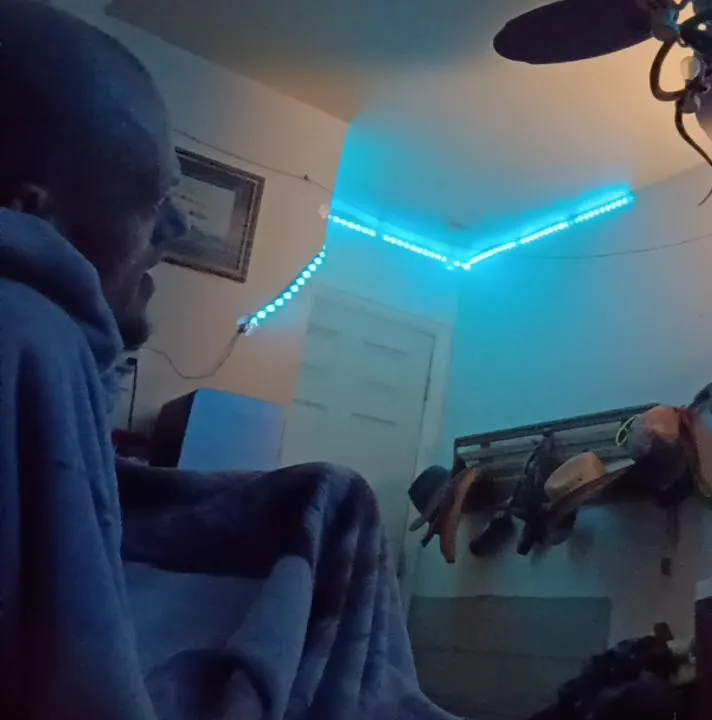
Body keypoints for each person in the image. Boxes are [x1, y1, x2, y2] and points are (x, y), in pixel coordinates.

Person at [0, 5, 452, 719]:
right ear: (32, 216)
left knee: (329, 498)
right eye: (154, 198)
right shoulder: (28, 334)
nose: (177, 229)